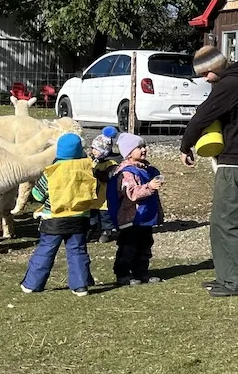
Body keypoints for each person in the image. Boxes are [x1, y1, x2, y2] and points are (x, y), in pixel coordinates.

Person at [180, 45, 238, 298]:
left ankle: (237, 281)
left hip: (235, 163)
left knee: (229, 224)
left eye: (205, 74)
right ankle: (226, 277)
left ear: (215, 68)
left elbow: (202, 116)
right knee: (222, 222)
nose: (205, 80)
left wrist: (186, 145)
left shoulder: (230, 86)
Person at [20, 133, 101, 296]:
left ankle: (32, 284)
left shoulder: (52, 172)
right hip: (79, 218)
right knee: (77, 251)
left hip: (54, 219)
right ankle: (80, 286)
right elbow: (95, 191)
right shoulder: (88, 169)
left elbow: (37, 195)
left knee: (46, 251)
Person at [108, 133, 164, 285]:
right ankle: (123, 274)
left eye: (144, 146)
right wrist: (149, 187)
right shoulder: (127, 173)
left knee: (145, 245)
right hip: (131, 217)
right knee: (128, 247)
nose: (144, 149)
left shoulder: (146, 169)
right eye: (139, 147)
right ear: (129, 152)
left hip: (145, 217)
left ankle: (141, 272)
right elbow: (131, 194)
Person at [89, 127, 120, 243]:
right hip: (93, 197)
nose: (93, 151)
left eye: (97, 149)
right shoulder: (93, 161)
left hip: (105, 197)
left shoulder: (111, 163)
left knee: (105, 217)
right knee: (92, 216)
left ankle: (107, 232)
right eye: (93, 148)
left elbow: (108, 177)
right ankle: (91, 230)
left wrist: (96, 173)